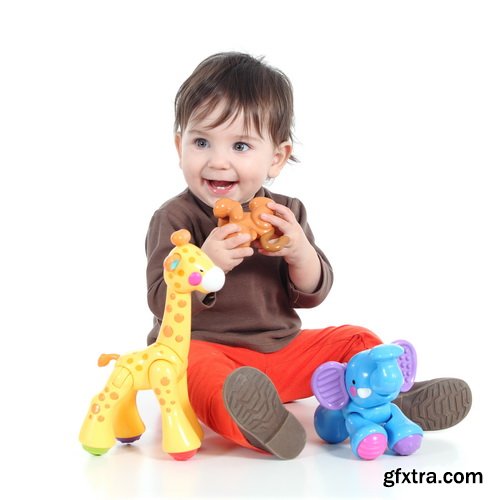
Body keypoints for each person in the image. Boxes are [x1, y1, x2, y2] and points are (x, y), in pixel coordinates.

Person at [145, 52, 472, 459]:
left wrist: (300, 252)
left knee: (357, 339)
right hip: (208, 349)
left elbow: (314, 292)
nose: (218, 160)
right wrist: (204, 266)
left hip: (282, 351)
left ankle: (393, 399)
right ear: (180, 147)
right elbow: (159, 299)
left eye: (241, 144)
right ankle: (261, 424)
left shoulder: (287, 214)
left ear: (276, 158)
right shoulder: (174, 219)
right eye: (201, 142)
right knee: (197, 375)